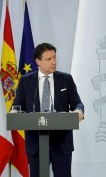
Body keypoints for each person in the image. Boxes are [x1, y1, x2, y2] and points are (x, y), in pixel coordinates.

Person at [12, 43, 84, 177]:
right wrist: (14, 113)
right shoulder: (26, 81)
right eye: (49, 59)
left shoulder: (66, 79)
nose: (54, 62)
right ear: (38, 61)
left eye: (54, 58)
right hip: (36, 144)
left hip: (61, 143)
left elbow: (77, 103)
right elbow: (17, 105)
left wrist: (78, 111)